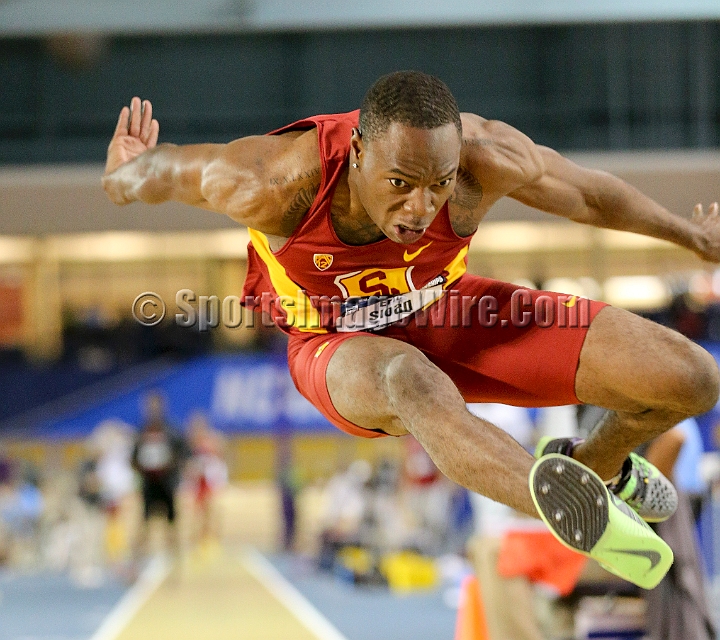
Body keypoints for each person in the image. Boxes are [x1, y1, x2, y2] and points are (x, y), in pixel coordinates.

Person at [102, 70, 720, 589]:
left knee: (690, 378)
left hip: (455, 314)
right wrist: (123, 170)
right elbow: (161, 174)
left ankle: (596, 469)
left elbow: (588, 196)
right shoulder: (275, 181)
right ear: (359, 154)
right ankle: (565, 506)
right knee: (406, 376)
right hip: (337, 347)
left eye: (438, 185)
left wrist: (689, 235)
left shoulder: (485, 155)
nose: (420, 209)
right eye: (399, 184)